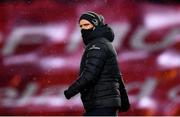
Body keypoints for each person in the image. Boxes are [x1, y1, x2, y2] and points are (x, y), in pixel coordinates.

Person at [64, 11, 130, 116]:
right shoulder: (103, 44)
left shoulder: (98, 45)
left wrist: (70, 91)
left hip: (101, 103)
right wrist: (124, 102)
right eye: (81, 26)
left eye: (86, 25)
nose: (83, 29)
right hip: (104, 103)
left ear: (95, 25)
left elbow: (90, 74)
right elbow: (117, 76)